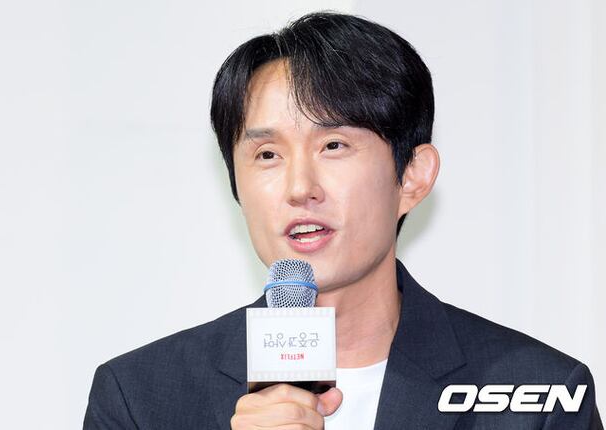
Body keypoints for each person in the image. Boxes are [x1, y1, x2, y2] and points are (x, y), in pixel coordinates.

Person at [84, 12, 602, 429]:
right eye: (267, 155)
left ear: (412, 176)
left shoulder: (538, 396)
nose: (299, 187)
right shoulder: (140, 397)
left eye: (333, 145)